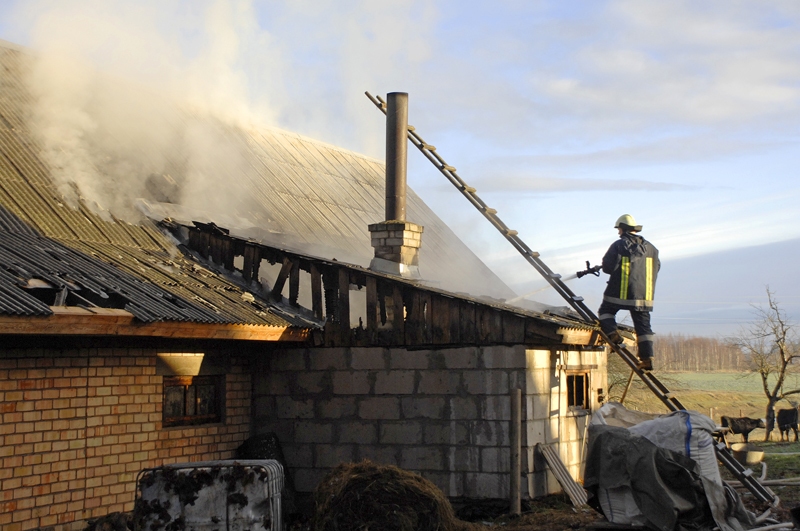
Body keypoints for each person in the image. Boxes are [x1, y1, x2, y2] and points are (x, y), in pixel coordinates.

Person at [598, 214, 660, 371]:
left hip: (620, 292)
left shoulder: (619, 245)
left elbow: (607, 267)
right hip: (644, 296)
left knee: (605, 311)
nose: (618, 232)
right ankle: (646, 359)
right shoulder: (652, 248)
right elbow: (657, 267)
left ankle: (612, 334)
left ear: (623, 229)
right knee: (643, 326)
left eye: (619, 229)